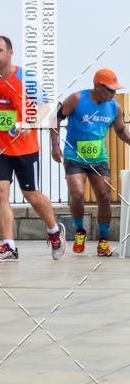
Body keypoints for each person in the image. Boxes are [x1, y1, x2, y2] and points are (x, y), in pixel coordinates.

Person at [0, 35, 66, 262]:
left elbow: (45, 107)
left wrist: (30, 123)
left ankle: (55, 231)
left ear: (10, 52)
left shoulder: (26, 78)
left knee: (31, 195)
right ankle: (9, 246)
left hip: (25, 149)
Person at [52, 68, 130, 257]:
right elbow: (55, 118)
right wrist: (55, 145)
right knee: (77, 193)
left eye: (115, 90)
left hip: (98, 159)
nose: (114, 93)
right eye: (110, 89)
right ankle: (80, 231)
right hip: (74, 157)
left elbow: (120, 131)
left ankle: (103, 241)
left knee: (104, 196)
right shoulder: (77, 99)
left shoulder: (115, 108)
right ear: (97, 86)